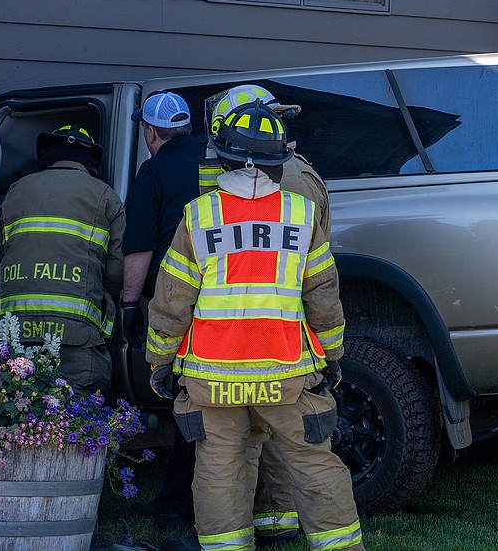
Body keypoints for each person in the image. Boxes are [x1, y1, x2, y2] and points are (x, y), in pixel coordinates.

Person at [147, 101, 364, 551]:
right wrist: (333, 355)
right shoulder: (302, 216)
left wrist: (160, 362)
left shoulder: (198, 216)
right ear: (277, 161)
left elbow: (172, 302)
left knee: (219, 468)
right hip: (286, 374)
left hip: (213, 378)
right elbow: (322, 296)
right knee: (311, 459)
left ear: (221, 157)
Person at [119, 91, 205, 530]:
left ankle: (183, 506)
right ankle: (176, 497)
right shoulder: (218, 161)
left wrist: (131, 303)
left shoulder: (153, 171)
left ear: (151, 133)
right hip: (226, 299)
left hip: (177, 302)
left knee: (185, 401)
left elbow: (139, 245)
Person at [0, 124, 125, 394]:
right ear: (91, 164)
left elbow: (1, 254)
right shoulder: (104, 196)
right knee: (76, 420)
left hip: (15, 331)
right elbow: (115, 273)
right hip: (77, 337)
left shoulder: (15, 191)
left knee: (23, 420)